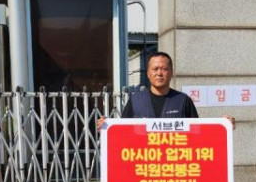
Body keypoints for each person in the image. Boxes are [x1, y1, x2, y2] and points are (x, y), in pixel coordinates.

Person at [97, 52, 234, 127]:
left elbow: (197, 132)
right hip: (144, 166)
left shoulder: (183, 100)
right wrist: (106, 125)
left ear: (171, 72)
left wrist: (222, 126)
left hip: (173, 167)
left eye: (164, 69)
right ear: (148, 73)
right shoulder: (136, 100)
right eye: (155, 69)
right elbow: (121, 131)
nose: (159, 73)